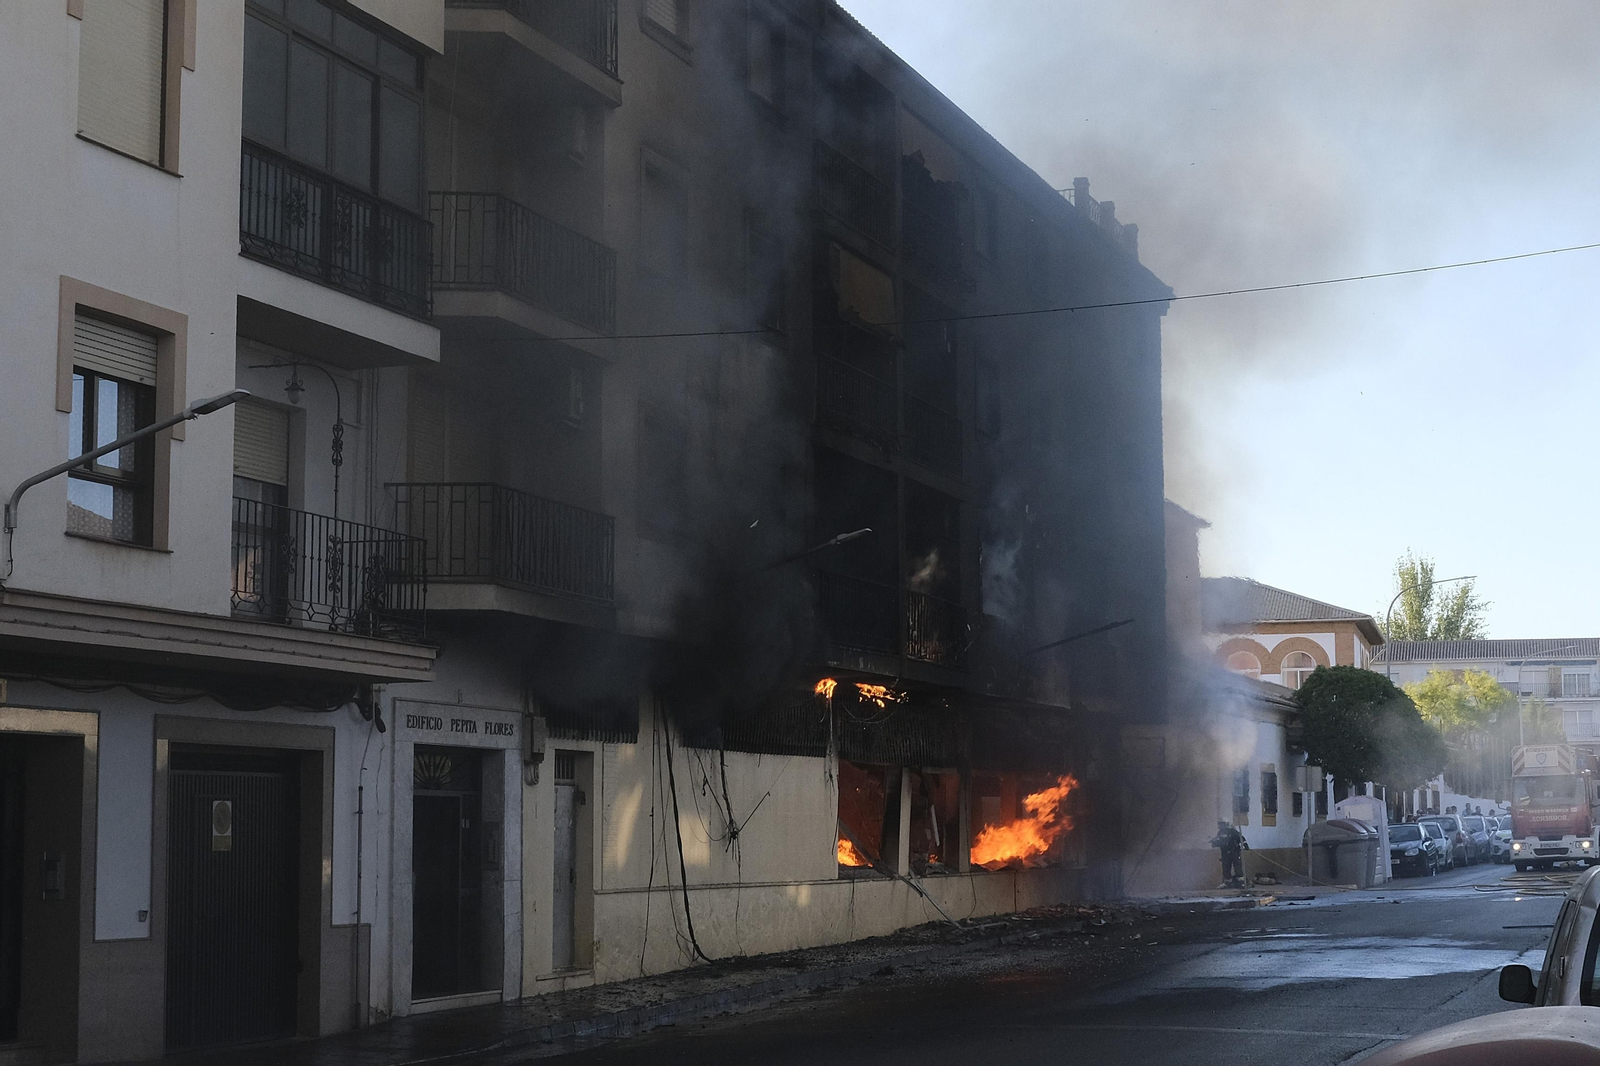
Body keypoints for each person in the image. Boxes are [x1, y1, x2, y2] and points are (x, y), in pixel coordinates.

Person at [1209, 820, 1249, 888]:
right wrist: (1214, 842)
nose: (1220, 826)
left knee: (1237, 867)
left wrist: (1245, 844)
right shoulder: (1220, 833)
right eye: (1220, 824)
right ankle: (1227, 883)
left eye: (1222, 824)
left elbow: (1241, 837)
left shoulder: (1233, 832)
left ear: (1226, 824)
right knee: (1226, 868)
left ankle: (1241, 883)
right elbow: (1218, 841)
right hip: (1225, 854)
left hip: (1234, 853)